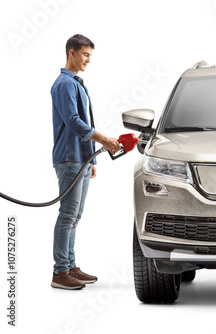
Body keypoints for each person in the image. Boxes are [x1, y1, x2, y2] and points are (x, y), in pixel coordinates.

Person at [50, 34, 121, 290]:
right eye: (85, 55)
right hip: (69, 158)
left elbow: (83, 124)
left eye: (90, 55)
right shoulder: (65, 84)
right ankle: (60, 272)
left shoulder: (78, 83)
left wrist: (92, 160)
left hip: (80, 158)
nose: (88, 60)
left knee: (75, 215)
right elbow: (73, 122)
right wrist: (104, 139)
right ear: (72, 53)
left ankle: (69, 266)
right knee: (68, 215)